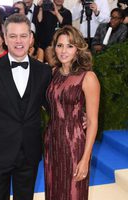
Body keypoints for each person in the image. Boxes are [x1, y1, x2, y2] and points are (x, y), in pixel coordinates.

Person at [0, 13, 52, 200]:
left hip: (29, 152)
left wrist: (79, 116)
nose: (18, 41)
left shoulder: (44, 71)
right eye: (13, 36)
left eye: (23, 35)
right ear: (5, 38)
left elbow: (52, 106)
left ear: (31, 38)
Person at [44, 25, 100, 200]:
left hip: (74, 144)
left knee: (73, 193)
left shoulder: (88, 77)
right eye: (60, 45)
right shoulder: (52, 73)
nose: (63, 51)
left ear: (78, 49)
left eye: (69, 46)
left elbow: (92, 121)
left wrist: (85, 159)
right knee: (53, 191)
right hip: (52, 142)